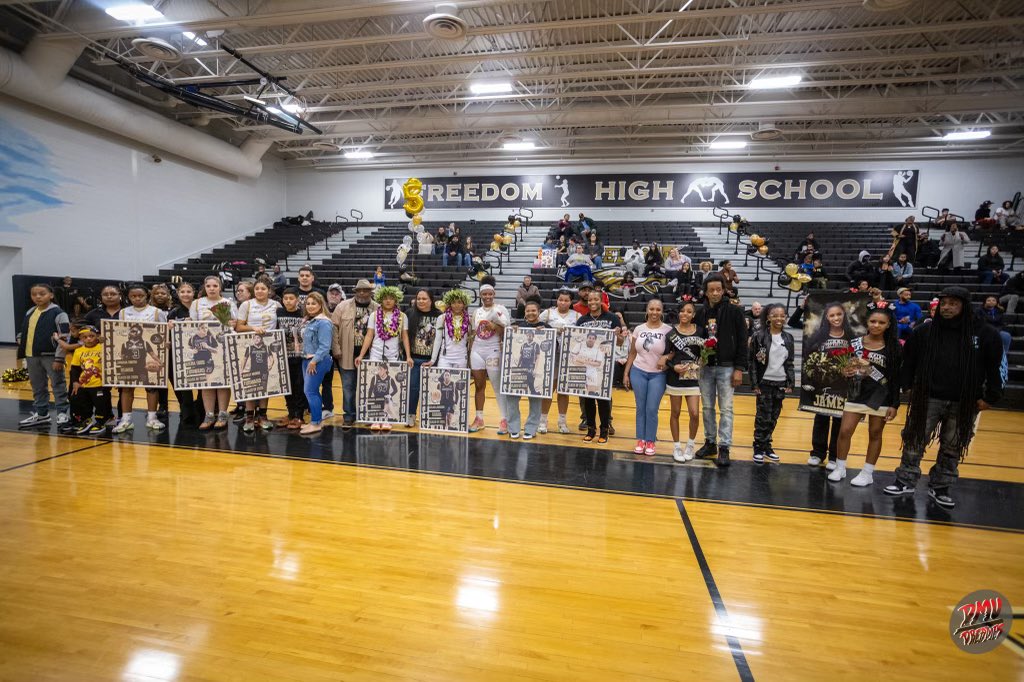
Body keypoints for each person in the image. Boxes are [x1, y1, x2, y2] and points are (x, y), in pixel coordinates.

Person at [884, 287, 1003, 508]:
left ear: (965, 306)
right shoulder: (925, 331)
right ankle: (905, 480)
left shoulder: (985, 334)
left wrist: (991, 396)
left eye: (953, 304)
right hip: (927, 397)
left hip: (965, 401)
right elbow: (909, 360)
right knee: (914, 438)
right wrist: (906, 384)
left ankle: (940, 487)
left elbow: (994, 367)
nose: (946, 307)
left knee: (953, 445)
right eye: (944, 303)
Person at [828, 304, 901, 486]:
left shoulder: (894, 347)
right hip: (856, 393)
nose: (876, 325)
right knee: (845, 431)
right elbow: (846, 367)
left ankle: (867, 472)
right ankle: (840, 467)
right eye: (873, 321)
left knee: (875, 433)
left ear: (888, 325)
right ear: (867, 322)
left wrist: (894, 404)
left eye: (881, 322)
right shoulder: (855, 343)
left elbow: (896, 377)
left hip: (881, 395)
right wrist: (846, 371)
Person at [694, 274, 748, 467]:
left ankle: (724, 447)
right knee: (707, 407)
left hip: (727, 367)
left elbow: (742, 341)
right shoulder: (700, 313)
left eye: (718, 289)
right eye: (711, 290)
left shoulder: (735, 311)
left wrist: (739, 368)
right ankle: (710, 443)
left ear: (724, 290)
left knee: (726, 409)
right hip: (706, 368)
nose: (715, 293)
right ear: (706, 292)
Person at [803, 301, 855, 468]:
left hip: (843, 386)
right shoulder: (818, 336)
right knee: (821, 419)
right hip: (822, 385)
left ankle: (834, 456)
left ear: (844, 315)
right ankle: (817, 453)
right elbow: (809, 359)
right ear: (826, 318)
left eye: (839, 314)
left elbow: (858, 358)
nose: (836, 318)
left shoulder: (852, 336)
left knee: (840, 421)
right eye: (832, 315)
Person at [112, 284, 167, 434]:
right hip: (128, 360)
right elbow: (118, 336)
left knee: (151, 387)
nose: (137, 299)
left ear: (147, 296)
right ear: (128, 297)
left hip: (145, 360)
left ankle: (152, 417)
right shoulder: (123, 312)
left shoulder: (156, 312)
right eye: (133, 296)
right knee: (126, 388)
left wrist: (160, 360)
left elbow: (163, 334)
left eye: (140, 296)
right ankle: (126, 419)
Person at [355, 286, 412, 431]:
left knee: (389, 388)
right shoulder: (374, 315)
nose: (388, 301)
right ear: (381, 299)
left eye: (391, 298)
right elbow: (369, 335)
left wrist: (408, 356)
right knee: (375, 388)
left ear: (396, 300)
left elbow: (405, 337)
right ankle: (375, 417)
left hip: (393, 355)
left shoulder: (402, 316)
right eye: (385, 298)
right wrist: (361, 355)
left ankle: (387, 417)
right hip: (375, 353)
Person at [17, 283, 71, 428]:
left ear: (51, 295)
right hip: (31, 355)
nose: (38, 297)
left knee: (58, 384)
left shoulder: (59, 313)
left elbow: (65, 336)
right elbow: (24, 329)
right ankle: (42, 414)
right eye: (34, 294)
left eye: (42, 293)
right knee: (37, 385)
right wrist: (20, 337)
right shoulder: (30, 311)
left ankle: (62, 413)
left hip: (51, 356)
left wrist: (59, 358)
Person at [189, 275, 238, 430]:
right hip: (203, 349)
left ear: (220, 287)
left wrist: (231, 323)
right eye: (208, 286)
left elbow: (234, 325)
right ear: (205, 287)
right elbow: (191, 326)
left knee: (223, 381)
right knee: (207, 382)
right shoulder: (197, 304)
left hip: (223, 347)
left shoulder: (228, 303)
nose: (211, 288)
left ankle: (223, 414)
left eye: (215, 286)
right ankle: (209, 415)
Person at [624, 299, 672, 455]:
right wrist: (626, 372)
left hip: (658, 375)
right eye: (652, 309)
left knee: (651, 409)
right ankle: (641, 439)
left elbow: (674, 352)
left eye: (658, 309)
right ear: (647, 310)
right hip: (638, 371)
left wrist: (666, 359)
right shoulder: (638, 329)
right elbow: (632, 353)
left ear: (662, 311)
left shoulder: (668, 330)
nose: (654, 312)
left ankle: (650, 441)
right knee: (640, 408)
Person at [577, 291, 625, 443]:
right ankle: (591, 428)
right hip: (587, 365)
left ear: (601, 300)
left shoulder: (612, 318)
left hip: (605, 365)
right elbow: (577, 340)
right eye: (590, 299)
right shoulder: (582, 320)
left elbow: (620, 342)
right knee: (588, 398)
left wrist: (618, 335)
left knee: (603, 398)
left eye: (596, 299)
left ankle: (604, 429)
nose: (592, 302)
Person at [749, 304, 795, 463]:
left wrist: (791, 382)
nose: (779, 318)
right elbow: (753, 362)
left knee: (774, 417)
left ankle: (767, 445)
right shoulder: (758, 336)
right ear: (768, 317)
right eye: (775, 315)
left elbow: (789, 363)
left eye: (782, 315)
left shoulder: (788, 338)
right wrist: (754, 383)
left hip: (780, 383)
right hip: (764, 382)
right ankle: (758, 447)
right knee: (763, 417)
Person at [236, 279, 283, 432]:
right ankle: (249, 417)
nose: (260, 291)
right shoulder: (247, 304)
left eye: (263, 288)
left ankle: (263, 416)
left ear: (269, 290)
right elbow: (238, 326)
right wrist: (253, 328)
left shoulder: (276, 305)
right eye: (257, 288)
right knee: (250, 381)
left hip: (268, 347)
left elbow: (280, 325)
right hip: (250, 345)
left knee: (265, 381)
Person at [331, 279, 377, 428]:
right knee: (348, 387)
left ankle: (368, 415)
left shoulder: (378, 308)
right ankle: (349, 416)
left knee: (369, 387)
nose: (362, 293)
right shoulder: (342, 306)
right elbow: (334, 329)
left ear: (371, 292)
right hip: (346, 354)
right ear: (355, 292)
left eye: (365, 290)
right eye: (359, 290)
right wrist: (336, 349)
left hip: (370, 355)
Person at [664, 300, 704, 462]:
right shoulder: (671, 333)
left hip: (693, 377)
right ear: (678, 313)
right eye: (682, 311)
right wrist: (673, 367)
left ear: (693, 315)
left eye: (689, 311)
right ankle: (677, 447)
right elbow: (665, 357)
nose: (685, 314)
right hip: (675, 378)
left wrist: (702, 362)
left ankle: (690, 444)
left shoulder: (700, 331)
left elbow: (706, 353)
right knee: (675, 413)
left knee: (694, 413)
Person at [469, 284, 510, 433]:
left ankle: (504, 419)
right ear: (480, 295)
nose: (487, 297)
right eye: (484, 294)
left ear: (494, 294)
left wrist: (495, 326)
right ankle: (479, 418)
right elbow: (474, 333)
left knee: (496, 386)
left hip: (493, 350)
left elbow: (506, 330)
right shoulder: (476, 312)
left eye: (489, 294)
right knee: (479, 386)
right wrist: (470, 352)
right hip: (477, 351)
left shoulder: (501, 309)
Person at [505, 302, 550, 439]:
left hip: (532, 368)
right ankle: (513, 427)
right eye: (528, 310)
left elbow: (551, 348)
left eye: (534, 310)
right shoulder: (518, 327)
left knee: (535, 396)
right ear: (524, 312)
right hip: (520, 367)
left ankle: (531, 428)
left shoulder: (546, 328)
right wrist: (511, 333)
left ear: (539, 311)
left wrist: (546, 334)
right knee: (512, 395)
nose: (531, 313)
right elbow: (512, 349)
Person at [538, 290, 579, 434]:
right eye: (561, 300)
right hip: (551, 356)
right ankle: (542, 421)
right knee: (549, 389)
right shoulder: (548, 313)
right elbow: (536, 327)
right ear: (557, 300)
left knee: (563, 391)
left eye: (566, 300)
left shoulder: (577, 316)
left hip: (568, 357)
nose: (563, 302)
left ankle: (562, 422)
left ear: (571, 302)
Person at [297, 292, 334, 435]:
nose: (310, 306)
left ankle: (316, 423)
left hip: (317, 360)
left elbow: (325, 346)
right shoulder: (308, 320)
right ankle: (316, 420)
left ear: (320, 305)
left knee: (310, 391)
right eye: (308, 303)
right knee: (312, 392)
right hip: (307, 359)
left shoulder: (323, 322)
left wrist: (314, 361)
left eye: (314, 303)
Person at [166, 282, 201, 426]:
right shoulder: (174, 312)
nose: (186, 294)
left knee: (201, 380)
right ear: (178, 294)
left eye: (189, 291)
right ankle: (185, 407)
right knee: (179, 381)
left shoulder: (200, 309)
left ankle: (201, 407)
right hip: (179, 353)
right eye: (182, 292)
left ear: (194, 293)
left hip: (198, 352)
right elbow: (167, 334)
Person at [68, 325, 111, 434]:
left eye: (91, 336)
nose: (88, 339)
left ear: (97, 336)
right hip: (84, 384)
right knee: (83, 403)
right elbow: (74, 368)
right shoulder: (78, 351)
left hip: (99, 383)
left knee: (101, 404)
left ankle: (101, 421)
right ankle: (86, 420)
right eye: (85, 337)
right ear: (81, 338)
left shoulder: (103, 348)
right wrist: (75, 382)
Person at [406, 288, 440, 426]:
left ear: (431, 300)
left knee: (432, 389)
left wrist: (435, 359)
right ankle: (411, 414)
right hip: (414, 359)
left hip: (431, 360)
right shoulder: (409, 313)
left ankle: (429, 417)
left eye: (424, 298)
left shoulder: (439, 316)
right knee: (413, 388)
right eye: (419, 298)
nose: (421, 301)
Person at [276, 288, 308, 429]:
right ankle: (290, 413)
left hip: (300, 356)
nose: (288, 301)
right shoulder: (278, 313)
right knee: (286, 386)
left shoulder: (303, 313)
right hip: (283, 356)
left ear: (297, 300)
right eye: (285, 298)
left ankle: (299, 416)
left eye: (291, 298)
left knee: (299, 386)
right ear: (282, 300)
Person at [428, 288, 473, 370]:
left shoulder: (469, 319)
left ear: (464, 304)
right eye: (453, 303)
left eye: (459, 302)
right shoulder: (442, 318)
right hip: (445, 358)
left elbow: (470, 341)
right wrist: (433, 359)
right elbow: (438, 340)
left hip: (462, 358)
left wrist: (470, 360)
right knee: (442, 382)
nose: (456, 305)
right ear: (449, 304)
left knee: (459, 382)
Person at [979, 295, 1012, 386]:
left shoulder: (999, 311)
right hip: (985, 331)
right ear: (985, 302)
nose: (991, 302)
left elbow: (1001, 324)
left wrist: (997, 330)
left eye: (993, 300)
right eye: (988, 300)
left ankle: (1002, 355)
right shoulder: (980, 311)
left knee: (1006, 335)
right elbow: (980, 323)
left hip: (997, 331)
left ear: (996, 302)